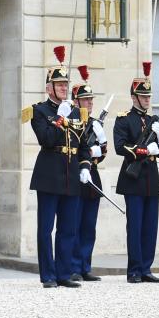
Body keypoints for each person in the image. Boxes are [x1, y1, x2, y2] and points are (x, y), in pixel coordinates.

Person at [24, 45, 88, 288]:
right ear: (48, 87)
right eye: (59, 85)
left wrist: (84, 165)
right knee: (46, 228)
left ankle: (64, 273)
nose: (63, 88)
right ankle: (48, 275)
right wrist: (60, 120)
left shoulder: (75, 110)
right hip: (49, 173)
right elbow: (46, 140)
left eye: (65, 85)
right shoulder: (39, 111)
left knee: (68, 228)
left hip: (71, 173)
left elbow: (83, 141)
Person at [114, 61, 159, 284]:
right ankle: (134, 269)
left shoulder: (154, 120)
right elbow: (120, 146)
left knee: (150, 226)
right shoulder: (124, 118)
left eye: (148, 96)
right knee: (135, 226)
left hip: (150, 179)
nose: (147, 100)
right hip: (133, 178)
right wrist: (144, 149)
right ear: (134, 97)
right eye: (143, 96)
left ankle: (146, 267)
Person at [71, 66, 107, 282]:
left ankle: (85, 265)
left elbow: (103, 152)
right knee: (74, 225)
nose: (90, 103)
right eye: (85, 100)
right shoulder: (71, 122)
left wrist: (98, 150)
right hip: (75, 178)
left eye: (91, 100)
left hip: (92, 179)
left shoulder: (95, 124)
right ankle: (74, 266)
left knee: (88, 226)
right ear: (76, 102)